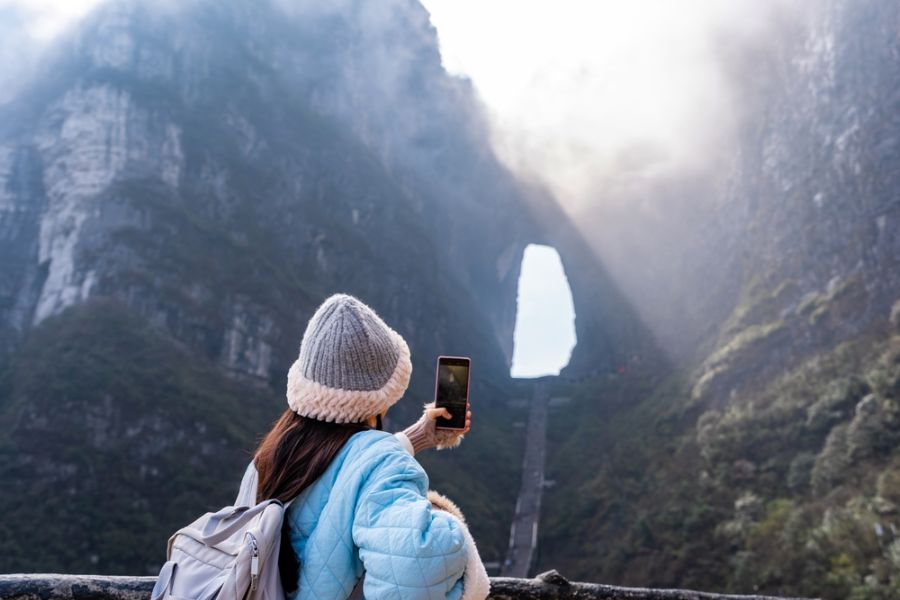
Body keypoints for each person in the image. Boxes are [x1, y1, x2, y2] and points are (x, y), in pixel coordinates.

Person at [234, 293, 490, 600]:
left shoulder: (269, 458)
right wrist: (449, 521)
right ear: (380, 396)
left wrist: (420, 435)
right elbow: (416, 566)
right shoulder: (382, 462)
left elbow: (339, 479)